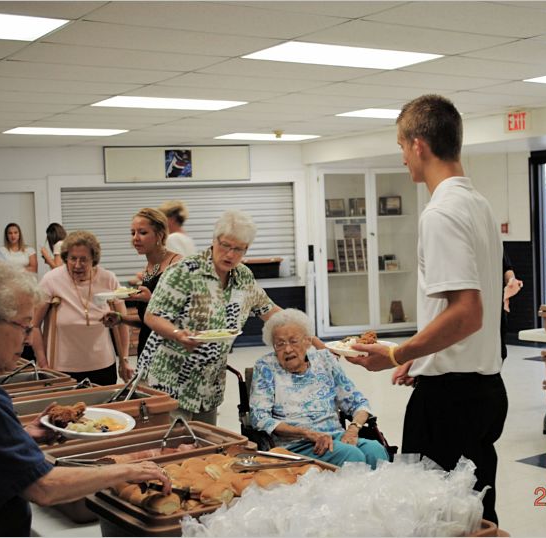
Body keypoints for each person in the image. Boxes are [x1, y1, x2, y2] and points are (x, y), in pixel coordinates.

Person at [346, 95, 507, 524]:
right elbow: (468, 311)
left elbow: (467, 313)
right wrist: (420, 359)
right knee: (475, 516)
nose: (402, 159)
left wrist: (399, 353)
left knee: (436, 519)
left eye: (401, 147)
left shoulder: (441, 213)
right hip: (482, 389)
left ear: (418, 144)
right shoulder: (479, 204)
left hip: (451, 402)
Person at [0, 257, 171, 537]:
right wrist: (129, 470)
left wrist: (18, 434)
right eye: (24, 325)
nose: (27, 338)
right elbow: (44, 487)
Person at [138, 209, 280, 425]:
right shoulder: (185, 271)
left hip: (208, 385)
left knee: (205, 447)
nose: (230, 254)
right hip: (169, 381)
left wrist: (314, 341)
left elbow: (269, 311)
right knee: (170, 449)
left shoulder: (243, 277)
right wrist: (178, 334)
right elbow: (153, 316)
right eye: (225, 245)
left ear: (246, 249)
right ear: (214, 240)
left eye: (238, 249)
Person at [250, 309, 388, 469]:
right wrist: (307, 433)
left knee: (376, 451)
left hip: (337, 437)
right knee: (352, 456)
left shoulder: (325, 360)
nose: (287, 349)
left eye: (293, 341)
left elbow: (358, 402)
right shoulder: (266, 367)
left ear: (308, 342)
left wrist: (353, 428)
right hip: (295, 446)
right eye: (280, 344)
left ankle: (379, 494)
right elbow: (259, 418)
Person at [29, 230, 131, 385]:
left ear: (94, 260)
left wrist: (124, 358)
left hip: (103, 365)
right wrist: (43, 364)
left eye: (84, 260)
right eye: (72, 259)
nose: (77, 265)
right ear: (65, 258)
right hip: (62, 368)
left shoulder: (108, 279)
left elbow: (123, 322)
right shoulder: (51, 280)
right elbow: (34, 325)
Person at [102, 208, 183, 358]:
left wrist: (151, 299)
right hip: (146, 349)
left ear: (160, 235)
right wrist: (120, 318)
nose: (135, 238)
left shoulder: (177, 265)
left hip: (170, 353)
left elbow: (184, 316)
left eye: (142, 233)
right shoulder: (148, 270)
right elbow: (147, 320)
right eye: (133, 233)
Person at [500, 252, 523, 360]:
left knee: (500, 351)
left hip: (496, 307)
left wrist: (512, 281)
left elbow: (507, 269)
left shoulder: (497, 244)